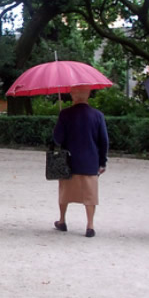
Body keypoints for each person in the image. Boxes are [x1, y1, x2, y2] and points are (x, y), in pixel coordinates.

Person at [51, 86, 109, 238]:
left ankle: (62, 220)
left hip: (68, 161)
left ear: (72, 95)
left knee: (64, 192)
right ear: (88, 94)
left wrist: (60, 123)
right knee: (90, 195)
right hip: (90, 161)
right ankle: (90, 225)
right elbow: (104, 141)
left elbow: (57, 139)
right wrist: (102, 162)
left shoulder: (65, 114)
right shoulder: (98, 115)